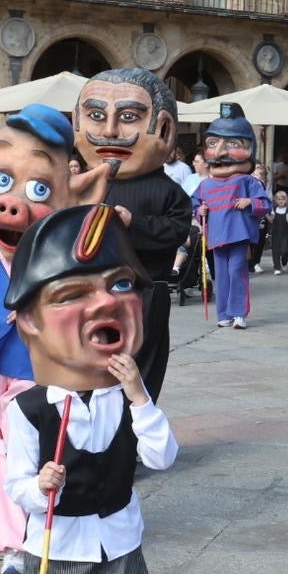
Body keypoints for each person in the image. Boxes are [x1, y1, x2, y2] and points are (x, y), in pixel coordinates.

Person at [1, 204, 177, 574]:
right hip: (55, 545)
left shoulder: (132, 397)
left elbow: (161, 456)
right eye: (72, 293)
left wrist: (137, 393)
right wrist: (40, 486)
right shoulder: (26, 410)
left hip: (120, 541)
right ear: (26, 320)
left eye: (121, 285)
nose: (106, 304)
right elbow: (15, 486)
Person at [0, 104, 111, 574]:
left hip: (37, 370)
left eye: (38, 191)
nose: (14, 206)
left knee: (22, 453)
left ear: (75, 196)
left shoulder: (59, 256)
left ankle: (16, 542)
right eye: (2, 184)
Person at [74, 68, 192, 400]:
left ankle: (138, 436)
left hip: (144, 296)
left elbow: (177, 230)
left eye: (128, 117)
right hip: (83, 297)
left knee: (140, 369)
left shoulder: (168, 191)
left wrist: (134, 224)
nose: (109, 131)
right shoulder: (76, 187)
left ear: (165, 128)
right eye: (96, 116)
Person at [191, 103, 270, 329]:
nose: (219, 152)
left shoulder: (247, 181)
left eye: (233, 143)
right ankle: (223, 313)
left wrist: (250, 202)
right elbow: (196, 204)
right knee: (221, 276)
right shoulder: (205, 185)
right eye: (213, 143)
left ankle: (239, 312)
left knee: (237, 270)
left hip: (238, 233)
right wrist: (200, 211)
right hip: (216, 234)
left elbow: (265, 203)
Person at [268, 189, 288, 274]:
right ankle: (277, 268)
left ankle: (284, 262)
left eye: (283, 199)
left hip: (285, 233)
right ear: (276, 200)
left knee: (284, 251)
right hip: (275, 233)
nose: (281, 201)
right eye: (279, 199)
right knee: (275, 250)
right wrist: (267, 215)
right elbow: (271, 220)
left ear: (286, 200)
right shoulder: (274, 210)